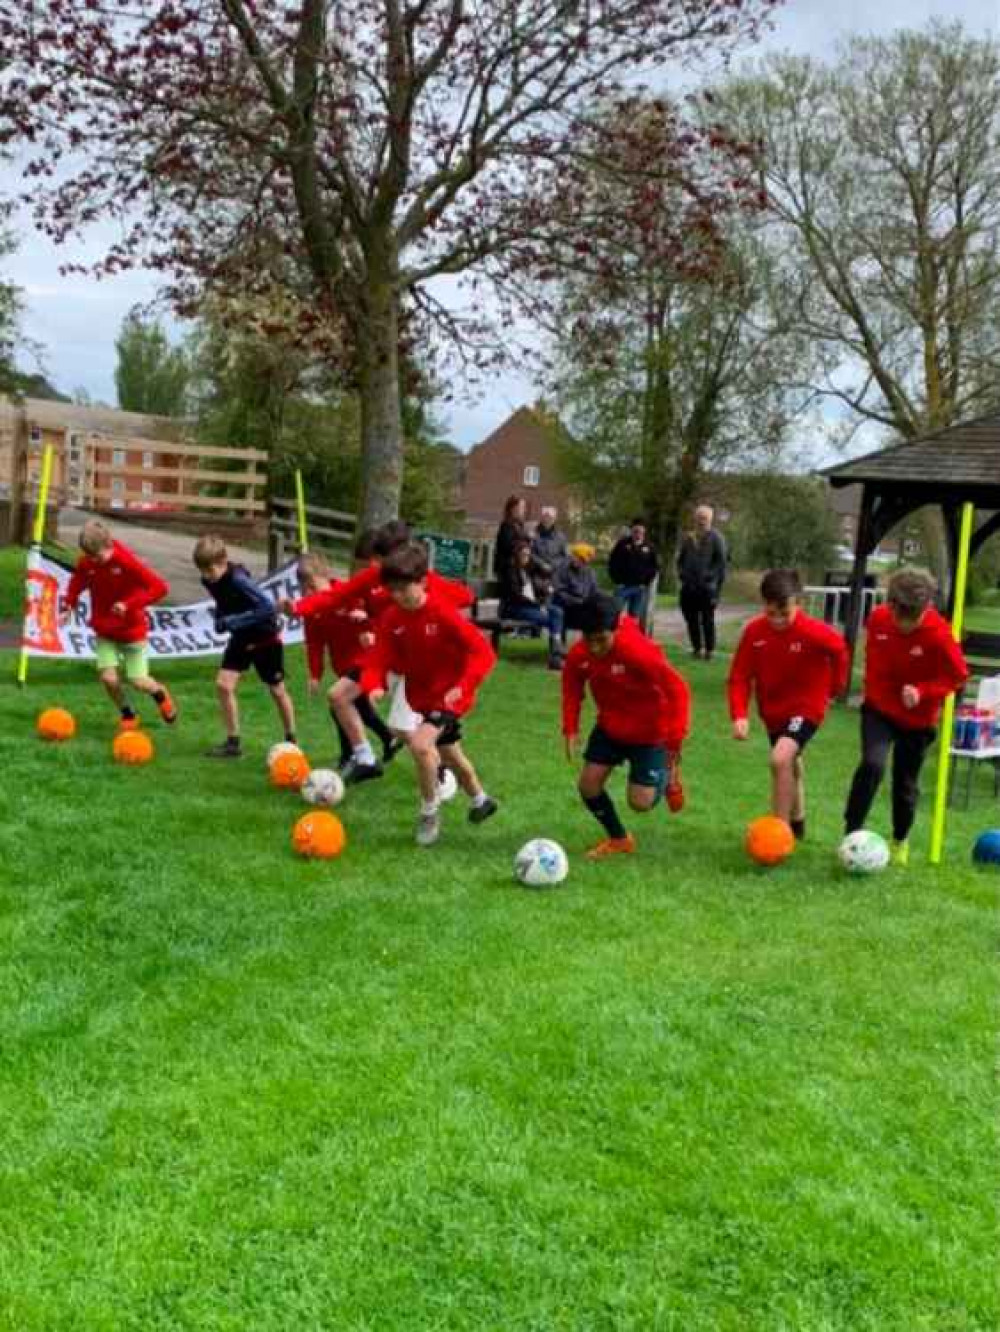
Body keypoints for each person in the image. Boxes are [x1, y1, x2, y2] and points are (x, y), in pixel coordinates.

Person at [287, 520, 475, 783]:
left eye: (381, 558)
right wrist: (297, 607)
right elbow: (334, 596)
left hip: (417, 662)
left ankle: (441, 773)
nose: (379, 566)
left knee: (414, 732)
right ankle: (365, 758)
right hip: (382, 654)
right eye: (378, 559)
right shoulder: (374, 576)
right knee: (339, 696)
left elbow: (464, 597)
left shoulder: (424, 583)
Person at [356, 541, 499, 847]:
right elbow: (377, 658)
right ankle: (480, 798)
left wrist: (464, 684)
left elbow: (483, 652)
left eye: (403, 588)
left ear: (422, 582)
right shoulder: (392, 619)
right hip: (421, 698)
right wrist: (373, 684)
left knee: (421, 745)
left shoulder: (442, 613)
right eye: (391, 589)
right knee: (450, 754)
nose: (396, 596)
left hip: (450, 696)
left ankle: (429, 812)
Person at [843, 567, 967, 867]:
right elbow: (875, 662)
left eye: (915, 618)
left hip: (918, 719)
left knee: (905, 783)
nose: (907, 625)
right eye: (902, 617)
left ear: (926, 608)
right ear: (891, 605)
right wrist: (879, 693)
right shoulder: (878, 620)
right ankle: (851, 836)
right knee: (872, 764)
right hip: (879, 710)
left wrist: (923, 691)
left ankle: (900, 839)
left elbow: (958, 676)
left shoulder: (939, 634)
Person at [562, 593, 690, 859]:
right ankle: (619, 839)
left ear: (616, 629)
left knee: (640, 803)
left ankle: (667, 772)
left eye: (602, 640)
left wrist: (674, 740)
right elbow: (572, 688)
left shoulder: (638, 651)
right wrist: (571, 728)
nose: (595, 648)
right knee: (588, 786)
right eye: (589, 640)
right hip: (610, 726)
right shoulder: (579, 654)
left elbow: (678, 689)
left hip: (650, 731)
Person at [728, 568, 849, 840]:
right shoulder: (754, 633)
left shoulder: (814, 632)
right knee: (790, 764)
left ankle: (777, 835)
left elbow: (840, 650)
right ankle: (797, 823)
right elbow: (739, 677)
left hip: (807, 707)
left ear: (799, 603)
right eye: (771, 613)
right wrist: (739, 714)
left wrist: (835, 688)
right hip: (773, 711)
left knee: (779, 759)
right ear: (764, 605)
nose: (779, 620)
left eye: (785, 613)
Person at [60, 518, 177, 730]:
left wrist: (129, 604)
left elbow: (159, 587)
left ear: (109, 545)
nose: (93, 561)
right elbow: (77, 582)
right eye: (89, 557)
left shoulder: (126, 561)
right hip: (105, 630)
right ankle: (127, 712)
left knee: (138, 680)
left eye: (98, 556)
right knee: (109, 679)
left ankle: (160, 693)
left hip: (132, 631)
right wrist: (68, 604)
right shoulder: (88, 561)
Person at [292, 545, 401, 772]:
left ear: (326, 576)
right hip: (342, 665)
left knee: (340, 704)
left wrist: (368, 627)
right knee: (354, 706)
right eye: (306, 589)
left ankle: (351, 756)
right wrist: (315, 674)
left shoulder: (347, 593)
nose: (311, 592)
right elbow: (314, 643)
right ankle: (387, 740)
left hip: (364, 659)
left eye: (314, 586)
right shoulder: (312, 609)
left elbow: (374, 615)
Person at [193, 534, 296, 758]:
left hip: (264, 637)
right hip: (241, 638)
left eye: (209, 571)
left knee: (277, 691)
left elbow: (267, 608)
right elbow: (223, 601)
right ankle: (233, 743)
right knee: (224, 685)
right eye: (202, 571)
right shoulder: (209, 580)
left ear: (223, 562)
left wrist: (231, 622)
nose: (206, 577)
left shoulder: (239, 580)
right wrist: (220, 618)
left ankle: (291, 739)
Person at [498, 537, 565, 669]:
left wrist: (542, 600)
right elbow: (516, 596)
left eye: (528, 555)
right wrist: (538, 606)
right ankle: (556, 656)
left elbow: (546, 572)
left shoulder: (527, 569)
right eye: (523, 555)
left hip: (529, 606)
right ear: (517, 554)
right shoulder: (510, 570)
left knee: (557, 611)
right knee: (549, 619)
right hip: (514, 608)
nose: (526, 557)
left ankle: (556, 649)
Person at [677, 505, 727, 661]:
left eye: (704, 518)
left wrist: (713, 583)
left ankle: (710, 650)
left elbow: (721, 563)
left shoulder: (716, 537)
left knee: (707, 620)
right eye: (699, 517)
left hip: (707, 588)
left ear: (710, 519)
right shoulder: (688, 537)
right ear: (695, 518)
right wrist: (682, 575)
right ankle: (697, 648)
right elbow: (680, 560)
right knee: (691, 619)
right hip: (689, 587)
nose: (701, 521)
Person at [608, 518, 659, 634]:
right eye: (635, 531)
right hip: (622, 587)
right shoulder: (622, 544)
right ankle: (614, 636)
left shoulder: (649, 547)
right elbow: (612, 563)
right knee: (615, 613)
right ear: (632, 531)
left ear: (644, 532)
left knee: (634, 617)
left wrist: (645, 582)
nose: (638, 534)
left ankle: (630, 638)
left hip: (639, 588)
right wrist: (616, 580)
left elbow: (654, 567)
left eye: (640, 532)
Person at [553, 543, 600, 636]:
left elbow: (594, 591)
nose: (581, 562)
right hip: (567, 607)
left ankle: (589, 644)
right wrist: (577, 601)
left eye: (584, 560)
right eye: (579, 558)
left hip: (583, 607)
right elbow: (559, 591)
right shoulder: (562, 570)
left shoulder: (590, 572)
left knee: (598, 613)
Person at [494, 495, 526, 580]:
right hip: (508, 568)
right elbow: (507, 545)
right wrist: (523, 547)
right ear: (514, 508)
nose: (524, 510)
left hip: (517, 566)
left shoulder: (519, 524)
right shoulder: (506, 525)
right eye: (521, 507)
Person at [531, 506, 568, 577]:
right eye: (545, 516)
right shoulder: (534, 534)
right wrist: (542, 564)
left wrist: (554, 565)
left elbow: (565, 555)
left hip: (557, 573)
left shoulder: (561, 536)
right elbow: (531, 553)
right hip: (538, 572)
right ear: (541, 518)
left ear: (554, 519)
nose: (547, 520)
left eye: (550, 517)